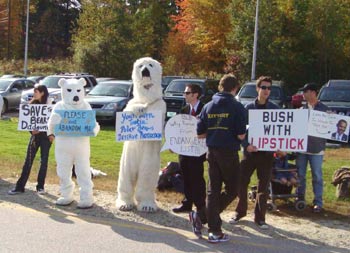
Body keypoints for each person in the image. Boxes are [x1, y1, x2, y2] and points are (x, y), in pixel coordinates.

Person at [196, 74, 246, 243]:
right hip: (228, 153)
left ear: (220, 87)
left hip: (211, 151)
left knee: (213, 190)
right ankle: (214, 229)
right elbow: (240, 135)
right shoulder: (238, 107)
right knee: (233, 189)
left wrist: (215, 131)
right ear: (235, 88)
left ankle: (202, 217)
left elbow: (200, 133)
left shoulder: (208, 106)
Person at [231, 76, 279, 230]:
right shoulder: (248, 108)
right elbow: (239, 131)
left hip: (266, 154)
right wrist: (246, 145)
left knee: (263, 187)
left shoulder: (275, 109)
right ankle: (240, 212)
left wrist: (280, 146)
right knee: (241, 182)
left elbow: (279, 131)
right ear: (257, 89)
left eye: (269, 88)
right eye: (263, 87)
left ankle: (260, 217)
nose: (266, 91)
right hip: (250, 153)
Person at [8, 85, 54, 195]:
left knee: (44, 162)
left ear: (42, 93)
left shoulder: (50, 105)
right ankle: (20, 187)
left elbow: (54, 122)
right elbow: (27, 121)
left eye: (36, 92)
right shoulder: (32, 104)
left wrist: (52, 135)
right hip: (35, 137)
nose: (34, 94)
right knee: (28, 161)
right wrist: (31, 131)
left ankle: (40, 187)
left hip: (46, 138)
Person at [173, 84, 207, 226]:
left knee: (197, 178)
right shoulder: (184, 110)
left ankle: (200, 207)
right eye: (185, 93)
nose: (184, 95)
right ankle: (187, 203)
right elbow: (176, 129)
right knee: (185, 177)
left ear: (196, 94)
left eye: (187, 93)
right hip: (184, 151)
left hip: (198, 152)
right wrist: (173, 144)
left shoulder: (204, 109)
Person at [296, 83, 329, 213]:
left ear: (314, 92)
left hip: (317, 149)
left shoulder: (325, 110)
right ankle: (300, 199)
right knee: (300, 175)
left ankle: (318, 202)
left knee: (317, 175)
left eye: (306, 91)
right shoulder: (301, 110)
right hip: (302, 149)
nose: (304, 94)